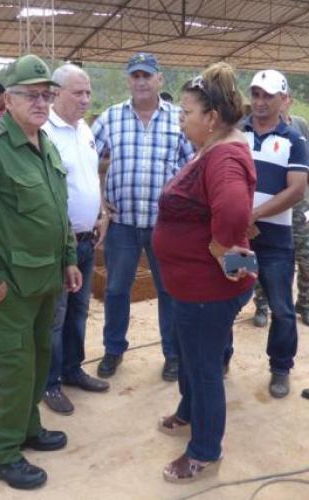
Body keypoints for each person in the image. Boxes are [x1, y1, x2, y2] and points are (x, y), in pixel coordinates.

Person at [0, 54, 82, 490]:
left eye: (47, 95)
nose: (41, 102)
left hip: (46, 281)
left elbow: (58, 213)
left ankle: (28, 430)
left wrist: (69, 260)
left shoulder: (44, 145)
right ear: (8, 99)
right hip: (10, 286)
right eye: (31, 95)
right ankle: (1, 454)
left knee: (39, 360)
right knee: (13, 367)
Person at [152, 62, 256, 482]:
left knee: (204, 367)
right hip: (192, 287)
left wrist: (223, 249)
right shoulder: (214, 149)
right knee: (194, 360)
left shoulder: (224, 155)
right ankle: (188, 411)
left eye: (186, 113)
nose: (181, 120)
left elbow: (233, 209)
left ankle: (205, 450)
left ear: (211, 118)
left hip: (206, 291)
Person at [92, 52, 194, 381]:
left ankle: (173, 354)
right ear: (128, 80)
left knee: (169, 291)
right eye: (135, 76)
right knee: (117, 290)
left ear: (159, 79)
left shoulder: (179, 119)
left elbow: (196, 166)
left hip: (165, 226)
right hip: (122, 224)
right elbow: (85, 158)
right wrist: (99, 201)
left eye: (146, 76)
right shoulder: (110, 117)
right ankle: (113, 350)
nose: (140, 81)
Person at [42, 63, 110, 415]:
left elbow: (91, 177)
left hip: (87, 238)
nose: (85, 99)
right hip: (59, 244)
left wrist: (101, 212)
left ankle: (72, 369)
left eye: (88, 93)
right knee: (56, 314)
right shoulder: (44, 133)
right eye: (78, 93)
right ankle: (49, 382)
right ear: (56, 93)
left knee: (79, 311)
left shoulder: (84, 129)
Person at [244, 70, 308, 398]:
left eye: (268, 95)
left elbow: (296, 191)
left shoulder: (295, 141)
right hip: (237, 241)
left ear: (283, 100)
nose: (260, 101)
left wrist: (253, 214)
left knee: (282, 308)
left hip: (275, 243)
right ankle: (222, 358)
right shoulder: (234, 134)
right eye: (256, 94)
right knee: (225, 302)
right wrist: (240, 220)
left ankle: (280, 367)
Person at [252, 89, 309, 327]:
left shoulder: (299, 127)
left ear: (287, 101)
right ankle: (262, 305)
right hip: (266, 206)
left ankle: (304, 303)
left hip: (298, 205)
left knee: (305, 256)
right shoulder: (254, 129)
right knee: (261, 255)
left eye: (275, 97)